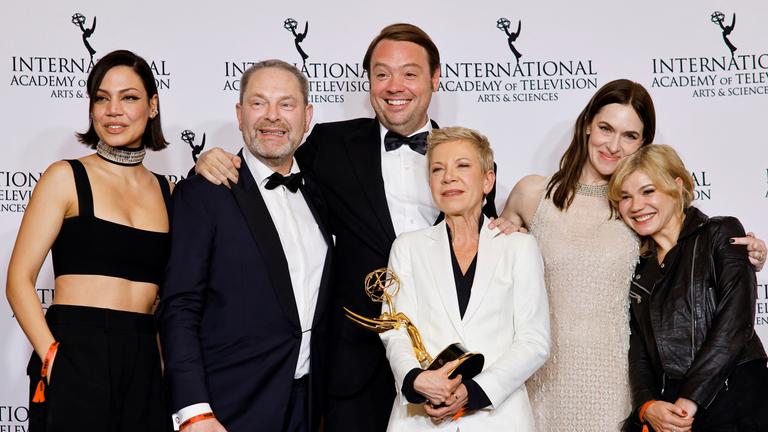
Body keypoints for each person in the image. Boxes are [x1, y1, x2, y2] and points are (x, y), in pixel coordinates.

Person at [192, 24, 504, 432]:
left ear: (435, 78)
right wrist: (214, 160)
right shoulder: (329, 143)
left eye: (410, 73)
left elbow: (485, 241)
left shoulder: (465, 155)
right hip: (356, 366)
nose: (395, 86)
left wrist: (511, 219)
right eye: (381, 74)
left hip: (445, 359)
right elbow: (270, 161)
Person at [499, 78, 767, 430]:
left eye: (630, 136)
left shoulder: (634, 211)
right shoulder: (532, 193)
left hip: (617, 383)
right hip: (542, 376)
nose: (613, 145)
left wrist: (752, 252)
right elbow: (494, 265)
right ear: (586, 127)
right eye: (605, 128)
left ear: (644, 144)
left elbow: (688, 240)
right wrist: (503, 232)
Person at [157, 60, 332, 432]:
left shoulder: (321, 193)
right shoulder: (205, 192)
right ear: (239, 114)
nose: (272, 117)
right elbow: (180, 306)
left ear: (307, 115)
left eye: (286, 104)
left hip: (308, 406)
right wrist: (194, 411)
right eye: (258, 103)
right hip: (227, 407)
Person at [5, 49, 172, 432]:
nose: (113, 110)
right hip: (77, 349)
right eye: (102, 98)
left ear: (152, 105)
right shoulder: (64, 177)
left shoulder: (170, 192)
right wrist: (52, 357)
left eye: (129, 97)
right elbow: (18, 280)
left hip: (146, 357)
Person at [380, 127, 550, 431]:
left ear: (488, 180)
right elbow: (395, 330)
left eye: (462, 165)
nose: (448, 177)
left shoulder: (519, 246)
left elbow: (534, 341)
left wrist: (472, 393)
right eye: (437, 169)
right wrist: (416, 380)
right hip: (421, 418)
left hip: (499, 419)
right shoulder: (406, 247)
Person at [608, 144, 768, 432]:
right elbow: (638, 347)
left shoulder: (720, 233)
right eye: (626, 197)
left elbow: (734, 325)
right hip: (670, 407)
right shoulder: (636, 267)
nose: (636, 206)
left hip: (734, 396)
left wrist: (688, 402)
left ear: (677, 186)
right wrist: (647, 406)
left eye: (648, 191)